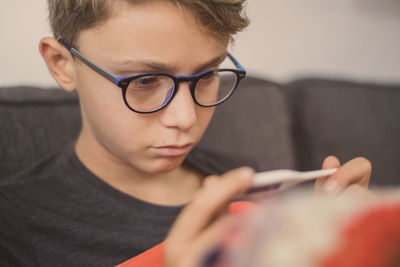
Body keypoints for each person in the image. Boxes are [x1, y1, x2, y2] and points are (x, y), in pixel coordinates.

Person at [0, 0, 372, 266]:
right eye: (145, 80)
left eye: (207, 75)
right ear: (62, 64)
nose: (185, 118)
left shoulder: (246, 181)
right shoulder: (15, 225)